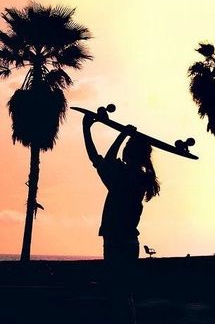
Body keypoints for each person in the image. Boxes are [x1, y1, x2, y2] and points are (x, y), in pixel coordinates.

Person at [82, 114, 160, 324]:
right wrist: (88, 128)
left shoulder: (121, 175)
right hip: (130, 242)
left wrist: (118, 134)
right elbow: (98, 159)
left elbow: (101, 159)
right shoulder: (142, 178)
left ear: (128, 152)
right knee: (124, 295)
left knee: (117, 295)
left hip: (116, 241)